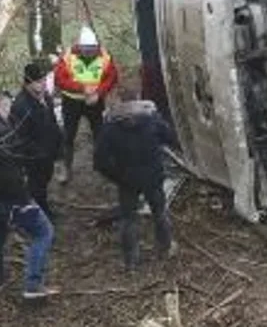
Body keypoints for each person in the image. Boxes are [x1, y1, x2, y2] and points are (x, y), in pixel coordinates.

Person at [0, 92, 56, 299]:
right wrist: (24, 201)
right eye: (8, 109)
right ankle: (33, 285)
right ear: (3, 107)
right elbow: (11, 174)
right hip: (8, 199)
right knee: (44, 232)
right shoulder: (1, 134)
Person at [93, 87, 177, 269]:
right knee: (160, 212)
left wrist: (118, 176)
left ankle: (131, 260)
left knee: (128, 219)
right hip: (153, 176)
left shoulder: (110, 127)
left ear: (120, 102)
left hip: (127, 180)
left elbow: (99, 161)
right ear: (138, 98)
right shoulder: (152, 120)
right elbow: (170, 138)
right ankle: (166, 247)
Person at [54, 25, 118, 184]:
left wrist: (99, 93)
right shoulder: (68, 57)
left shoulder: (105, 57)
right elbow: (59, 80)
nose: (90, 53)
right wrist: (83, 88)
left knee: (100, 134)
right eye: (86, 50)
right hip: (71, 102)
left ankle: (102, 166)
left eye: (92, 49)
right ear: (80, 47)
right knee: (68, 136)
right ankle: (66, 169)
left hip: (95, 103)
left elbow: (112, 77)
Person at [11, 60, 64, 223]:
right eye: (39, 82)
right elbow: (20, 137)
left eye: (43, 81)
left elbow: (53, 122)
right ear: (29, 83)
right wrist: (38, 154)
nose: (43, 85)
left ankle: (41, 208)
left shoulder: (45, 97)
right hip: (34, 157)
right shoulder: (20, 106)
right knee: (36, 187)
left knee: (45, 182)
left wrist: (59, 145)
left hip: (48, 152)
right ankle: (39, 216)